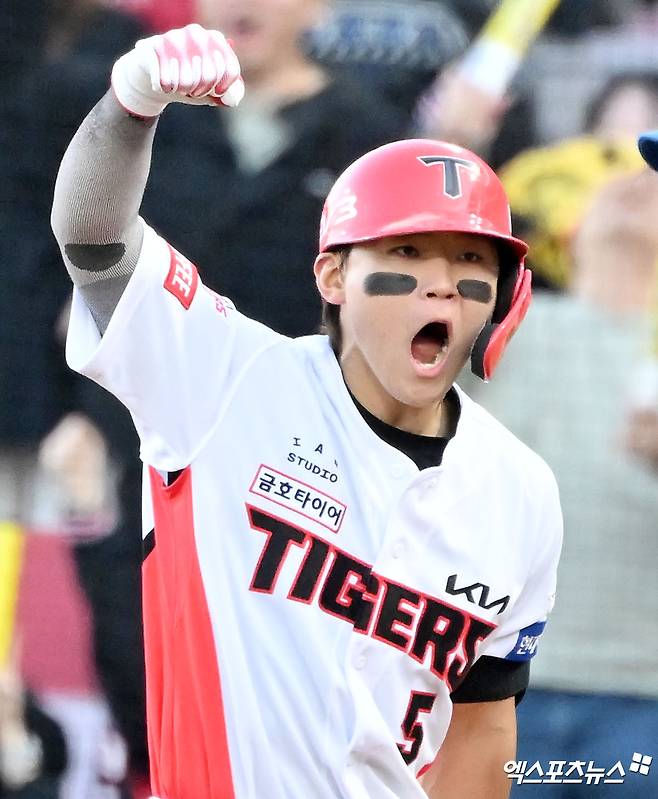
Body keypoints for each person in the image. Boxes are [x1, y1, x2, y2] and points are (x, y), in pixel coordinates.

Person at [51, 25, 562, 799]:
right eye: (406, 255)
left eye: (469, 261)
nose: (440, 285)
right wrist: (130, 105)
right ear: (332, 276)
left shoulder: (521, 489)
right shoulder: (227, 373)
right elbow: (93, 239)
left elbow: (484, 728)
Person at [460, 164, 658, 796]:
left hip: (644, 689)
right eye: (615, 178)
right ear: (570, 232)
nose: (637, 183)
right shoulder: (496, 328)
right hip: (490, 682)